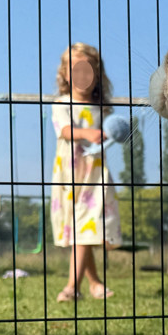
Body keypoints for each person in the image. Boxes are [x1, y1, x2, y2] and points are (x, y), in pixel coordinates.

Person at [51, 42, 121, 302]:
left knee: (86, 229)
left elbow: (108, 136)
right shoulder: (61, 103)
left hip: (95, 176)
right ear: (66, 75)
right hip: (70, 175)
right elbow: (65, 131)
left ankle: (72, 287)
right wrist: (87, 134)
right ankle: (95, 284)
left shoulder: (101, 108)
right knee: (82, 230)